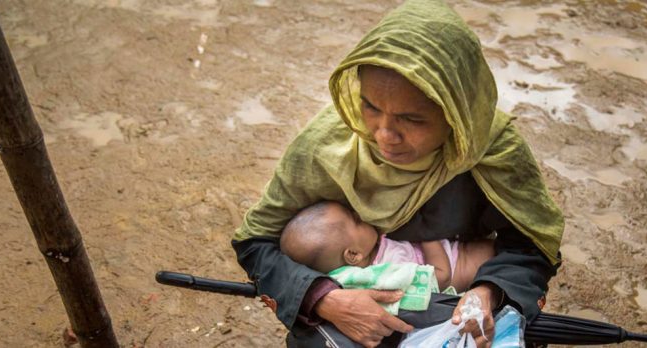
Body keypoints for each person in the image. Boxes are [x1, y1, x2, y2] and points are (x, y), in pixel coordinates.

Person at [232, 0, 565, 347]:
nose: (383, 135)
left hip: (456, 312)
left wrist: (488, 292)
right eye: (371, 107)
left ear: (457, 115)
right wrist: (325, 298)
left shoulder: (491, 150)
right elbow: (257, 243)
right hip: (352, 312)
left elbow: (532, 246)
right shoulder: (327, 147)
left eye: (413, 119)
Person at [279, 200, 496, 291]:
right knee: (502, 252)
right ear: (353, 254)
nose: (360, 215)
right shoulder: (385, 271)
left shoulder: (372, 247)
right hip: (464, 267)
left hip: (457, 248)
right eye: (356, 220)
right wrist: (426, 235)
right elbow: (440, 277)